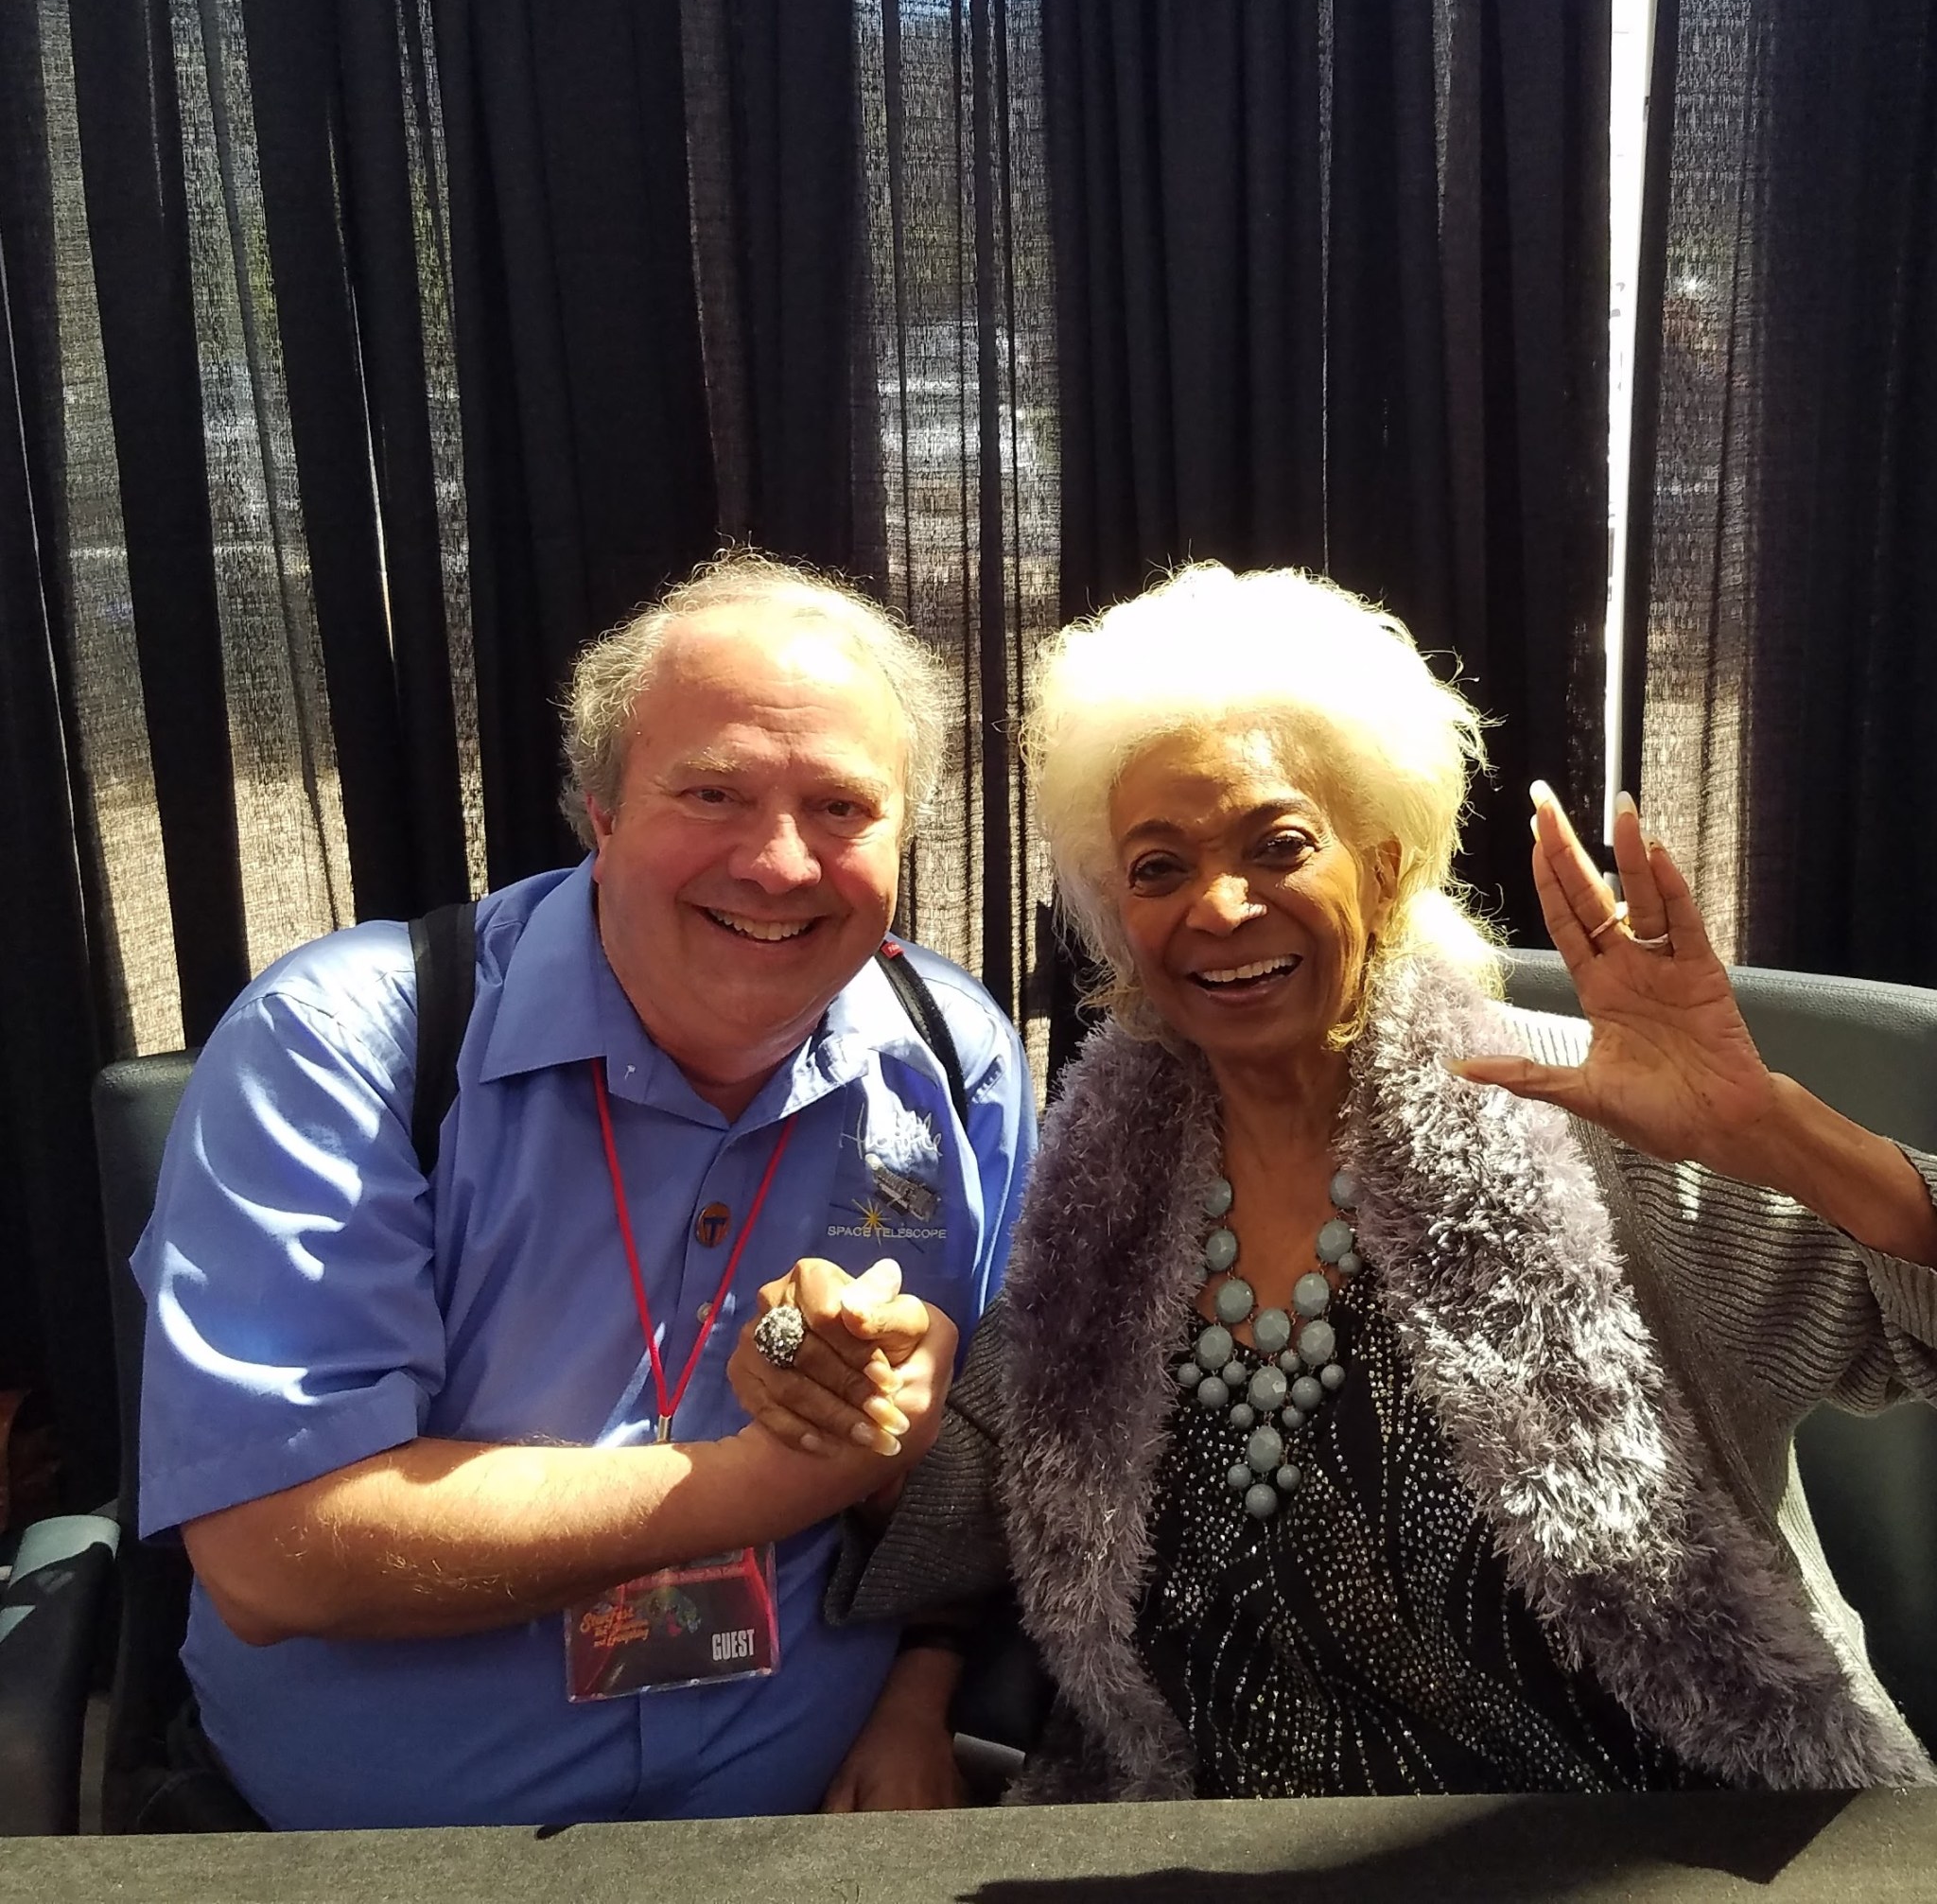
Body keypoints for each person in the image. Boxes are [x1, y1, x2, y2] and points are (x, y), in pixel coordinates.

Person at [737, 561, 1937, 1802]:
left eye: (1278, 843)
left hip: (1629, 1835)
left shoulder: (1584, 1122)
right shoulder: (1108, 1181)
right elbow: (983, 1492)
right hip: (1190, 1831)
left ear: (1382, 863)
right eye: (1157, 868)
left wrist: (1779, 1131)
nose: (1219, 903)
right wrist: (828, 1383)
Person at [131, 551, 1036, 1828]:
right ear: (600, 813)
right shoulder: (349, 1041)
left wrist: (920, 1688)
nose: (779, 864)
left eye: (842, 808)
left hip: (799, 1835)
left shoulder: (957, 1056)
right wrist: (778, 1479)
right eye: (712, 792)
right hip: (390, 1855)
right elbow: (278, 1555)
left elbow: (1000, 1452)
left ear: (905, 839)